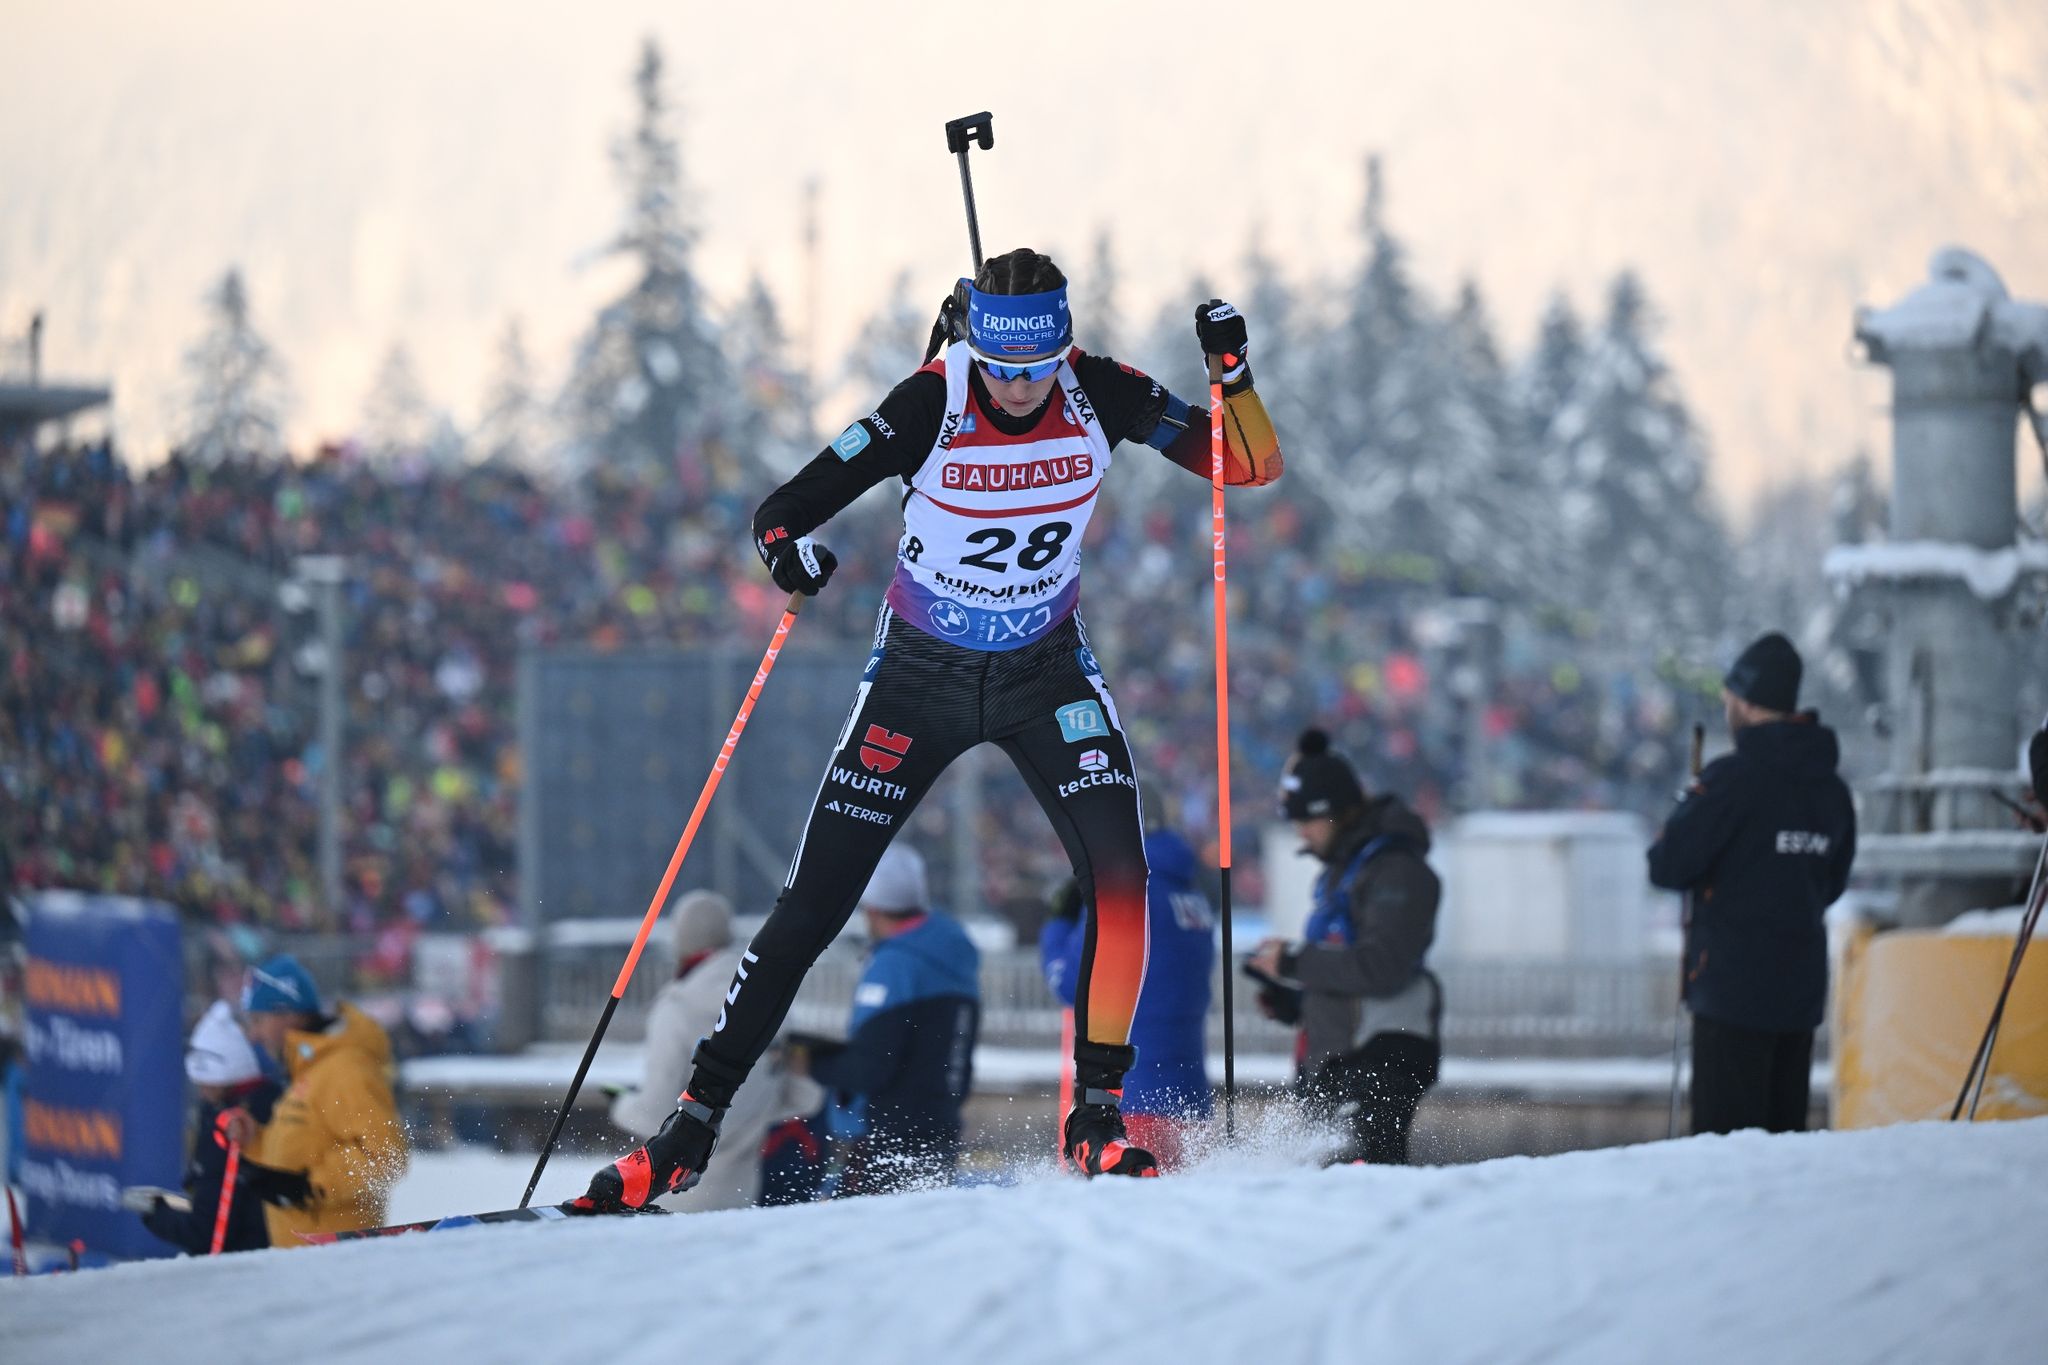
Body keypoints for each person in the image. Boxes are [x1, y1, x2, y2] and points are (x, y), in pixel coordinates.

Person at [580, 248, 1284, 1208]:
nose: (1025, 387)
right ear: (979, 349)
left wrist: (1231, 373)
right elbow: (782, 511)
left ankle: (1097, 1115)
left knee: (1123, 878)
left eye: (1041, 367)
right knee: (813, 907)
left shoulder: (1101, 390)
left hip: (1045, 671)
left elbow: (1244, 464)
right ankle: (690, 1127)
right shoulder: (931, 399)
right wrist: (791, 559)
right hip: (920, 677)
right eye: (1006, 367)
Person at [1648, 632, 1856, 1136]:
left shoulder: (1731, 781)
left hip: (1731, 997)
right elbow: (1831, 882)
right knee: (1781, 1152)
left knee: (1726, 1155)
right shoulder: (1830, 789)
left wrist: (1688, 811)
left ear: (1744, 702)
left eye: (1728, 701)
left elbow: (1667, 865)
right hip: (1798, 998)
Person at [1248, 729, 1442, 1166]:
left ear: (1334, 812)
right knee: (1326, 1190)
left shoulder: (1396, 870)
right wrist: (1293, 997)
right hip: (1338, 1058)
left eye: (1306, 821)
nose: (1301, 834)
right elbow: (1344, 970)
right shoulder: (1345, 871)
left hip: (1381, 1055)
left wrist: (1296, 961)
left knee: (1361, 1183)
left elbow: (1382, 966)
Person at [609, 889, 821, 1211]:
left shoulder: (676, 1008)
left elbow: (654, 1111)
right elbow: (801, 1096)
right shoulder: (769, 1002)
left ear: (680, 940)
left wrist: (621, 1103)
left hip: (678, 1200)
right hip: (741, 1196)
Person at [810, 844, 979, 1196]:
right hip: (941, 1122)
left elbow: (871, 1068)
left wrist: (808, 1060)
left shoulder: (894, 966)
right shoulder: (952, 951)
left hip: (887, 1136)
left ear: (872, 908)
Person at [1041, 827, 1213, 1170]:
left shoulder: (1126, 889)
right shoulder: (1190, 893)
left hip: (1130, 1096)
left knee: (1121, 1216)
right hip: (1191, 1099)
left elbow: (1071, 983)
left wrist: (1058, 924)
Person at [238, 954, 409, 1245]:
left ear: (287, 1013)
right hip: (305, 1261)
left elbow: (386, 1156)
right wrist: (254, 1140)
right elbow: (305, 1152)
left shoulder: (343, 1068)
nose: (253, 1035)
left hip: (337, 1263)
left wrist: (310, 1187)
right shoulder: (311, 1071)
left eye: (258, 1020)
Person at [136, 1000, 290, 1254]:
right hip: (277, 1247)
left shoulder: (227, 1128)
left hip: (243, 1268)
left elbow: (207, 1232)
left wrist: (155, 1213)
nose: (200, 1088)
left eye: (203, 1080)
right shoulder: (280, 1103)